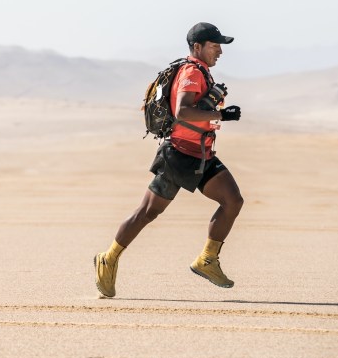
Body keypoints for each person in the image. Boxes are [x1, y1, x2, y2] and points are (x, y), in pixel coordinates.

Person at [94, 23, 243, 297]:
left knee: (233, 200)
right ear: (197, 47)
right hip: (180, 155)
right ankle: (108, 257)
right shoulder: (191, 72)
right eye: (214, 46)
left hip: (201, 154)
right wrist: (222, 115)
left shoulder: (202, 71)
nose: (220, 51)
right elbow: (183, 111)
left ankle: (207, 259)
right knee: (147, 213)